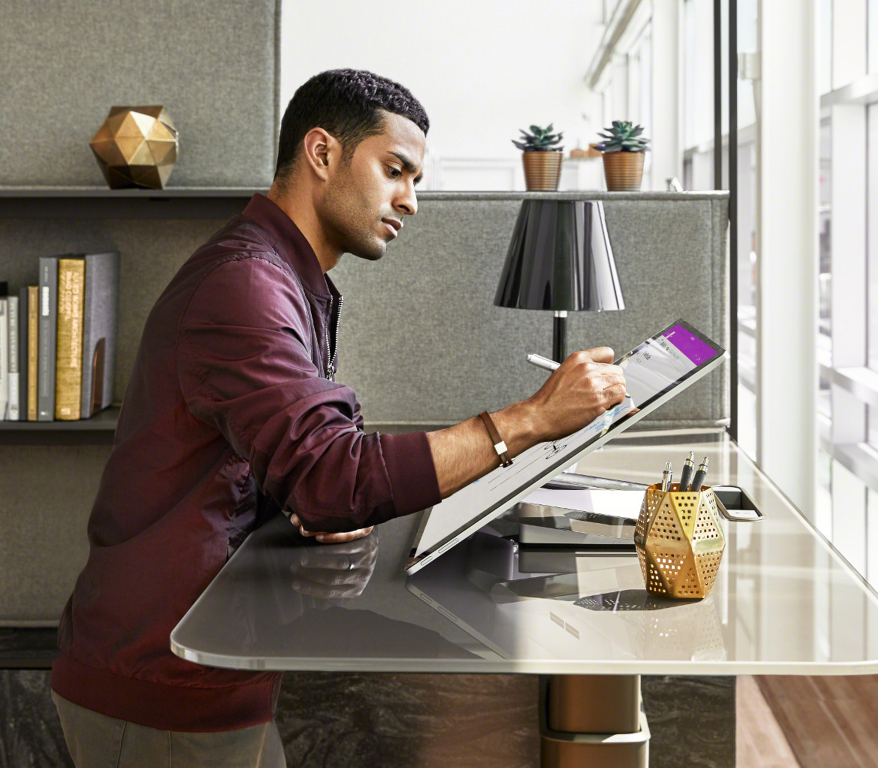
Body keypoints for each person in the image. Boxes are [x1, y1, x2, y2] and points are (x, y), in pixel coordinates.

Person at [50, 69, 627, 766]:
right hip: (159, 683)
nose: (411, 201)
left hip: (211, 670)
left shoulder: (286, 280)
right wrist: (531, 419)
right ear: (321, 153)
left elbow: (301, 466)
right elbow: (331, 476)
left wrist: (300, 496)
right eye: (395, 171)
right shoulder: (247, 285)